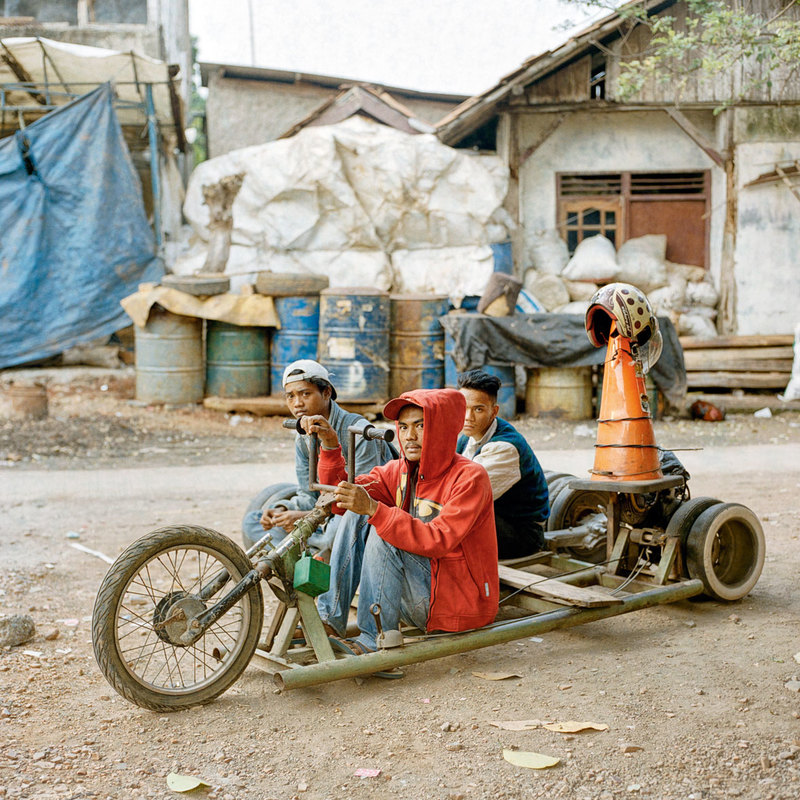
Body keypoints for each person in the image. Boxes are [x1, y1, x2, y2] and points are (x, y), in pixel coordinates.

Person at [302, 388, 499, 652]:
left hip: (457, 605)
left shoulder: (470, 477)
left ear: (442, 427)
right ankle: (330, 620)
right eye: (403, 427)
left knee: (382, 527)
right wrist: (329, 444)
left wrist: (375, 510)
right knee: (357, 510)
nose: (410, 436)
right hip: (419, 596)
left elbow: (438, 540)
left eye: (421, 426)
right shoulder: (398, 470)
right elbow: (339, 494)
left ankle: (373, 639)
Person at [241, 359, 393, 552]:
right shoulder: (303, 438)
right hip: (323, 516)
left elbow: (365, 499)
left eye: (305, 394)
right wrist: (284, 510)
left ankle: (313, 558)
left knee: (334, 534)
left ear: (326, 392)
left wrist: (304, 516)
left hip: (357, 516)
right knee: (253, 521)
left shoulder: (359, 433)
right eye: (290, 396)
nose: (297, 403)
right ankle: (311, 559)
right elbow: (308, 493)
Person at [456, 369, 550, 559]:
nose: (468, 417)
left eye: (478, 409)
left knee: (451, 524)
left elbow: (464, 497)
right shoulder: (467, 438)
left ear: (494, 411)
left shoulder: (504, 447)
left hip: (521, 533)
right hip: (494, 516)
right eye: (463, 407)